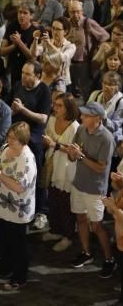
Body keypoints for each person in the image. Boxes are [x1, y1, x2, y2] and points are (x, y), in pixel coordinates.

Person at [65, 101, 115, 276]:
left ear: (97, 118)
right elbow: (73, 155)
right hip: (79, 183)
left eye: (85, 116)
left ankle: (109, 259)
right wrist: (72, 154)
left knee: (97, 226)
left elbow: (101, 168)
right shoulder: (81, 130)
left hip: (95, 189)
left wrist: (80, 156)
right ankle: (86, 253)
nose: (81, 117)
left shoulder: (107, 138)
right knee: (80, 220)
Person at [0, 122, 37, 291]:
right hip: (1, 204)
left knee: (17, 244)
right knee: (3, 238)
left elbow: (19, 187)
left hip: (17, 208)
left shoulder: (27, 159)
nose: (9, 141)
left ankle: (20, 275)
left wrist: (0, 175)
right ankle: (5, 266)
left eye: (14, 139)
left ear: (23, 140)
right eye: (9, 137)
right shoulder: (4, 148)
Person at [11, 61, 51, 230]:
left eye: (28, 74)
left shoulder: (44, 90)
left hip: (34, 137)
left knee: (37, 176)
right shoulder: (17, 86)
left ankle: (41, 212)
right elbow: (10, 108)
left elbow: (43, 118)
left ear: (38, 76)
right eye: (22, 72)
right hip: (16, 135)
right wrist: (13, 110)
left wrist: (23, 110)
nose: (23, 77)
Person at [41, 93, 80, 252]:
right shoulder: (51, 119)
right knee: (53, 200)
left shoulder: (75, 127)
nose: (54, 108)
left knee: (65, 204)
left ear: (68, 108)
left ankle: (68, 236)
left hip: (66, 170)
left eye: (59, 106)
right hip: (52, 164)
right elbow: (48, 140)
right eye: (54, 104)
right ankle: (56, 230)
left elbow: (75, 152)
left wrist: (54, 145)